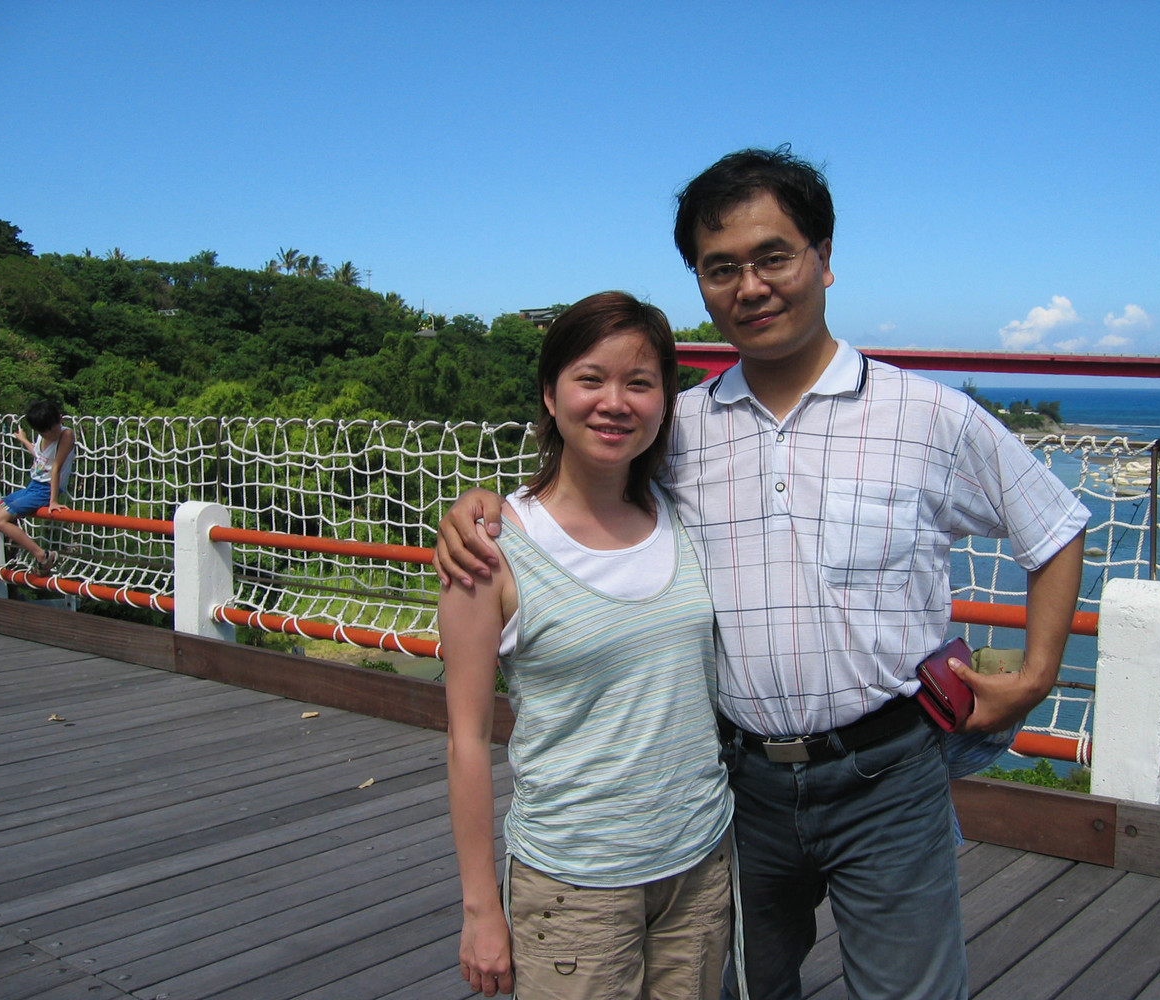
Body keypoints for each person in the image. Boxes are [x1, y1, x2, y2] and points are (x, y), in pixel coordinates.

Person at [436, 149, 1089, 1000]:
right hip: (735, 787)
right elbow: (587, 487)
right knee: (747, 988)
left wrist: (1036, 676)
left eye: (772, 256)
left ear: (822, 257)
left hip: (887, 771)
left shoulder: (927, 415)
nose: (749, 286)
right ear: (701, 284)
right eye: (721, 268)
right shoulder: (679, 426)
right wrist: (484, 504)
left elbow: (1052, 527)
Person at [441, 291, 734, 1000]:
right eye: (590, 379)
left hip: (699, 862)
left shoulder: (684, 513)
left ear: (665, 402)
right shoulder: (491, 550)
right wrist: (480, 909)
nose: (614, 403)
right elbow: (465, 740)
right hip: (573, 882)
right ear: (550, 394)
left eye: (640, 383)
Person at [0, 399, 75, 577]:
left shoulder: (66, 435)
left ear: (60, 419)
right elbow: (40, 457)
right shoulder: (42, 435)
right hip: (33, 486)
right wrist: (24, 440)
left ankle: (42, 556)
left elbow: (56, 467)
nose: (49, 435)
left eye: (52, 430)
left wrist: (53, 501)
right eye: (44, 433)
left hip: (47, 489)